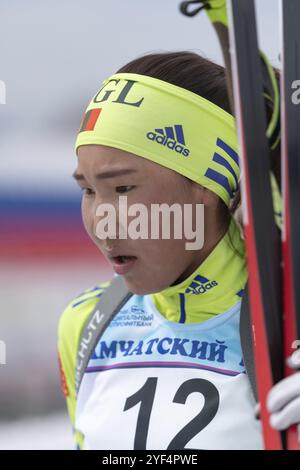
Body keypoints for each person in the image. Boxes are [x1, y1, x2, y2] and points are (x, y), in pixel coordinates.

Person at [57, 51, 300, 450]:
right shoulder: (86, 324)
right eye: (87, 190)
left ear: (207, 186)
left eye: (122, 189)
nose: (101, 221)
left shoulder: (289, 320)